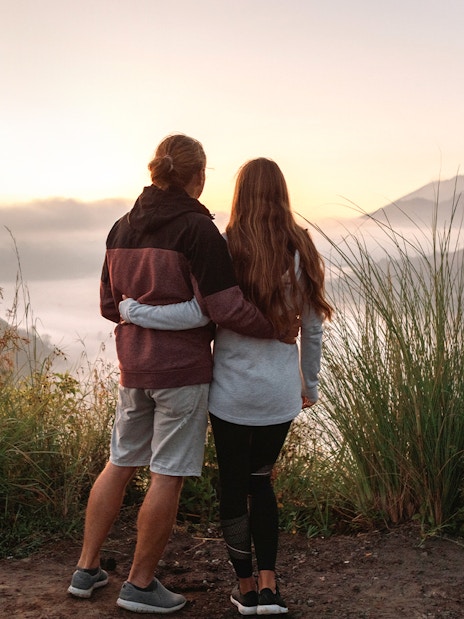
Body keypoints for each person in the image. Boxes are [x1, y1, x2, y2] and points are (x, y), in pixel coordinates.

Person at [67, 137, 294, 614]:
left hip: (134, 368)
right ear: (200, 177)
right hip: (182, 372)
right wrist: (274, 327)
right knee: (167, 474)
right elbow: (225, 306)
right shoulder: (198, 230)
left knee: (120, 461)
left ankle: (86, 570)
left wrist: (140, 313)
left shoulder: (119, 228)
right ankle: (140, 584)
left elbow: (112, 307)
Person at [118, 157, 333, 616]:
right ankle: (271, 587)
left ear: (239, 194)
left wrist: (137, 313)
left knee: (234, 485)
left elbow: (209, 315)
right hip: (278, 392)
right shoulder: (303, 248)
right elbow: (311, 329)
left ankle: (245, 588)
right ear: (282, 193)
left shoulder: (225, 245)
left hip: (230, 391)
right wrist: (308, 383)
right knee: (262, 482)